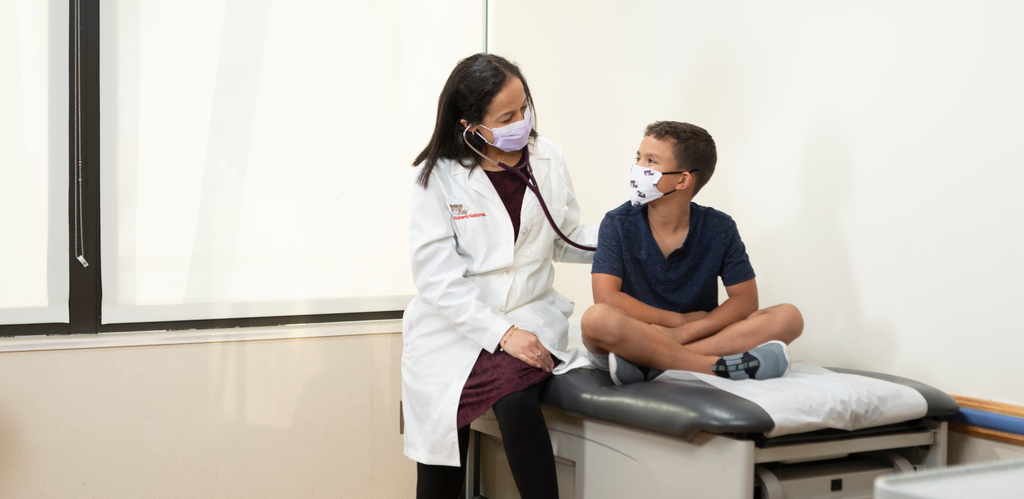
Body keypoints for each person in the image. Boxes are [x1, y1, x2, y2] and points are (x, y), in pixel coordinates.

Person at [403, 53, 596, 499]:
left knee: (516, 397)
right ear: (470, 125)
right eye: (507, 116)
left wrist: (626, 234)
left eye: (524, 108)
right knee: (442, 448)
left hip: (528, 312)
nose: (522, 123)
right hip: (453, 329)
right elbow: (437, 278)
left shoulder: (547, 158)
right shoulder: (437, 179)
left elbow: (563, 237)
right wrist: (502, 332)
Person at [581, 121, 803, 385]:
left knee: (789, 317)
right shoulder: (617, 221)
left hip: (695, 336)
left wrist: (683, 333)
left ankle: (651, 364)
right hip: (632, 337)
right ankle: (711, 366)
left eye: (651, 161)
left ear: (683, 180)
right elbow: (606, 297)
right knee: (596, 319)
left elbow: (745, 301)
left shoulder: (719, 226)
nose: (638, 168)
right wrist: (678, 320)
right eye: (638, 158)